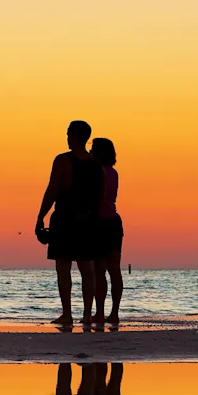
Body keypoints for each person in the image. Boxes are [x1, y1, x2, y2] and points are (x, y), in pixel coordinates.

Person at [36, 120, 103, 326]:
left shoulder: (63, 161)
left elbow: (52, 190)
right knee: (87, 269)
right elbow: (100, 196)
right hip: (88, 221)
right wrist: (95, 221)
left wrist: (40, 216)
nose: (66, 138)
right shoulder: (96, 164)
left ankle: (67, 313)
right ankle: (87, 314)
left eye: (68, 134)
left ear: (74, 136)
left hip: (65, 219)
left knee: (63, 268)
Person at [90, 138, 124, 327]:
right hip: (114, 222)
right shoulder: (114, 172)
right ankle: (114, 313)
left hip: (100, 223)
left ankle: (100, 313)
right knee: (114, 270)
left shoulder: (97, 172)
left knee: (99, 271)